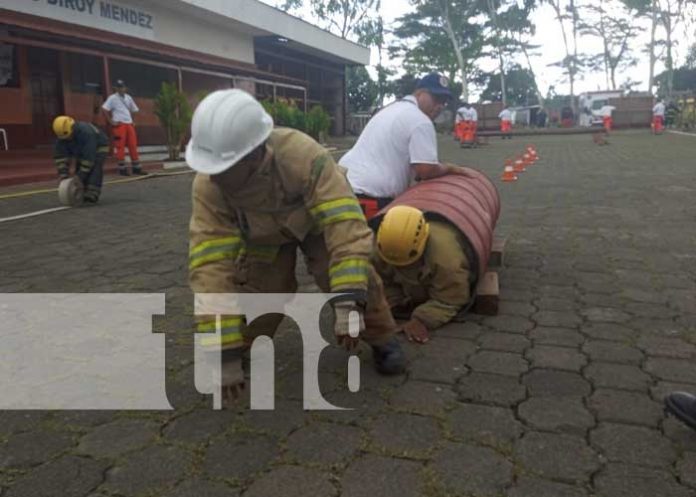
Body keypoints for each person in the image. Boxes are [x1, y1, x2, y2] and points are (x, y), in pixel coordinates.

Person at [186, 89, 406, 401]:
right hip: (264, 237)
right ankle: (243, 345)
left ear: (253, 155)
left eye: (222, 168)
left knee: (346, 273)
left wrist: (347, 304)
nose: (213, 177)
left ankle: (383, 337)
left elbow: (345, 228)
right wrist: (223, 353)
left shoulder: (303, 156)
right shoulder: (208, 185)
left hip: (317, 224)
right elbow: (209, 266)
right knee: (263, 291)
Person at [339, 72, 473, 220]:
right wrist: (449, 168)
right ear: (419, 93)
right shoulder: (420, 120)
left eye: (443, 101)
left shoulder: (390, 109)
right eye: (435, 98)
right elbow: (426, 170)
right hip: (369, 197)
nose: (439, 106)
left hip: (342, 186)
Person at [372, 206, 476, 344]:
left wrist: (422, 320)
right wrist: (391, 303)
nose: (401, 267)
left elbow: (450, 299)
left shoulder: (446, 259)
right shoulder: (379, 248)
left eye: (406, 264)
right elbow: (383, 281)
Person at [52, 115, 109, 203]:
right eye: (64, 138)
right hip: (80, 149)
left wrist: (80, 176)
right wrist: (63, 174)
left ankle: (92, 192)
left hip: (99, 146)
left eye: (69, 136)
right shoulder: (62, 135)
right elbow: (60, 157)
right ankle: (81, 190)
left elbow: (89, 158)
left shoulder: (86, 133)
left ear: (73, 128)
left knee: (95, 167)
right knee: (79, 167)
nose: (67, 139)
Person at [102, 79, 145, 176]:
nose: (121, 89)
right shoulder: (112, 98)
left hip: (129, 124)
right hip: (119, 124)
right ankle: (122, 169)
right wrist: (111, 121)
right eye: (119, 87)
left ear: (125, 88)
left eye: (122, 87)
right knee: (120, 146)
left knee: (133, 145)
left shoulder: (128, 98)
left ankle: (136, 168)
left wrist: (133, 121)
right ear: (115, 88)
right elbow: (104, 109)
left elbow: (135, 110)